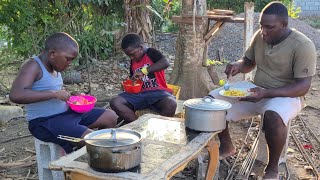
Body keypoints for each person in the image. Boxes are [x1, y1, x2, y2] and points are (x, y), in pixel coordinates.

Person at [209, 2, 316, 179]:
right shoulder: (260, 36)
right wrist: (238, 65)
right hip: (256, 90)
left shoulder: (303, 45)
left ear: (284, 24)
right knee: (213, 102)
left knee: (273, 116)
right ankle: (227, 146)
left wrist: (266, 94)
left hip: (287, 95)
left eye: (269, 27)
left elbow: (302, 87)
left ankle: (272, 168)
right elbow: (249, 62)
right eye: (261, 26)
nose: (264, 31)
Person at [9, 32, 118, 154]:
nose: (69, 64)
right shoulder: (33, 65)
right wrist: (53, 93)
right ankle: (87, 152)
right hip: (44, 122)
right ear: (52, 54)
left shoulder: (55, 67)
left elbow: (51, 89)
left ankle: (82, 150)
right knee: (93, 139)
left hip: (66, 115)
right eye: (68, 59)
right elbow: (16, 95)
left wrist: (72, 96)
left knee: (110, 117)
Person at [110, 33, 177, 123]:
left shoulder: (151, 53)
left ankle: (160, 129)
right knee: (115, 102)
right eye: (129, 55)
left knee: (171, 103)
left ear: (141, 47)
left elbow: (165, 63)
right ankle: (138, 125)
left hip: (158, 93)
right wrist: (128, 85)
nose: (131, 57)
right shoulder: (133, 62)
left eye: (132, 54)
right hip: (140, 95)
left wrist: (144, 71)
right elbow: (134, 80)